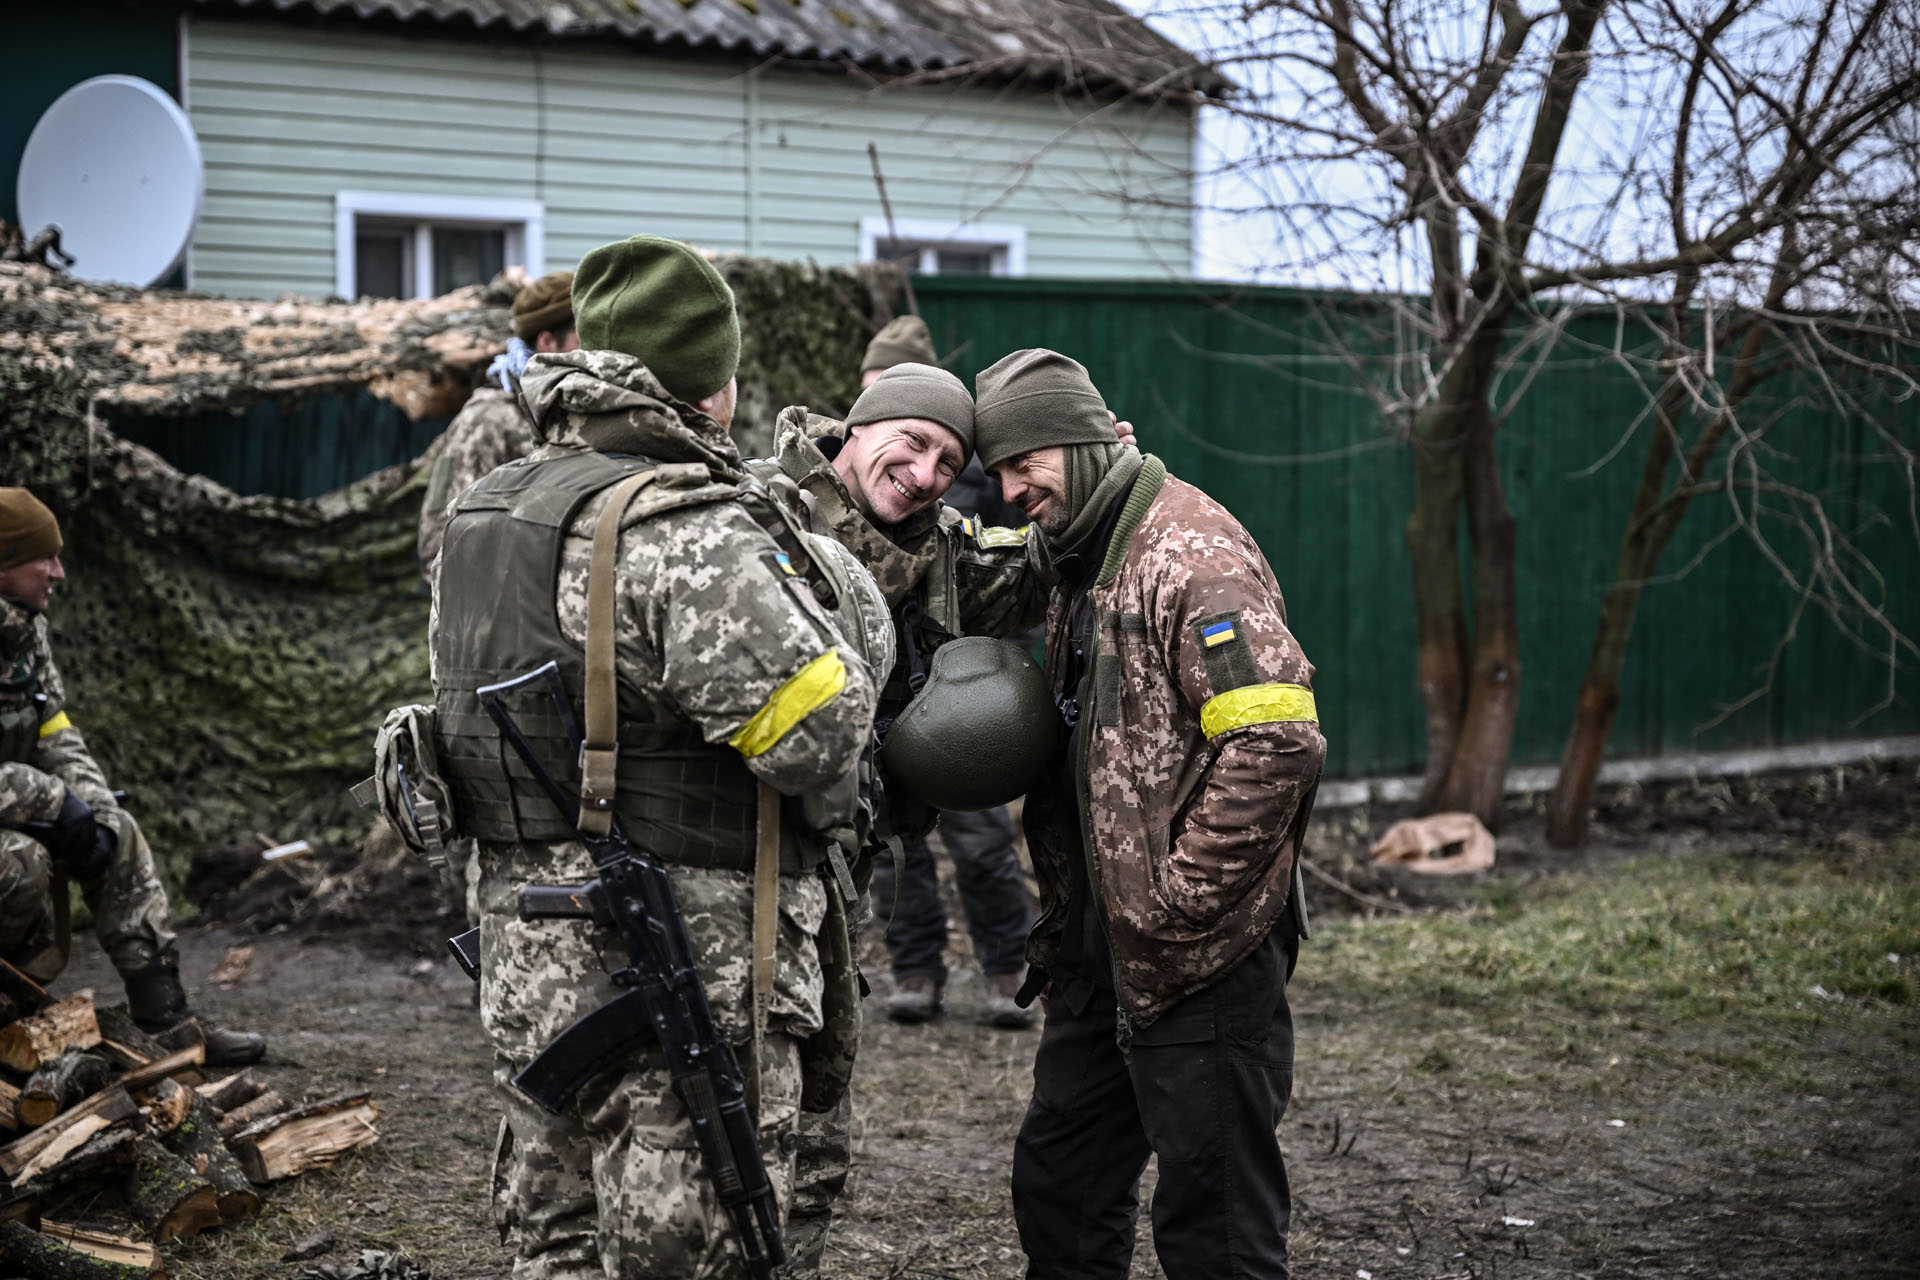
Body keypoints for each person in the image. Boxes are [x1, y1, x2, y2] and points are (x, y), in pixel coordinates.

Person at [429, 235, 882, 1279]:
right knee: (696, 1244)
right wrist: (840, 602)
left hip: (525, 950)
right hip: (680, 950)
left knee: (557, 1235)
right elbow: (818, 737)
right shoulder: (688, 526)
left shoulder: (486, 511)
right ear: (713, 384)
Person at [973, 349, 1325, 1279]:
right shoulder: (1079, 549)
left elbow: (1277, 744)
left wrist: (1176, 905)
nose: (1011, 492)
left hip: (1196, 960)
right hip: (1099, 955)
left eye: (1026, 463)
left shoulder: (1189, 556)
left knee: (1213, 1231)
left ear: (1084, 442)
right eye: (1000, 471)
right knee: (1062, 1189)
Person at [0, 489, 266, 1066]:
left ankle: (170, 1023)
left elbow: (55, 730)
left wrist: (88, 808)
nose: (59, 572)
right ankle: (10, 1015)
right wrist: (51, 800)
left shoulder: (24, 633)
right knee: (20, 862)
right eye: (44, 557)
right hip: (12, 822)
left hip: (17, 804)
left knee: (115, 830)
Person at [851, 316, 1037, 1028]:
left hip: (952, 712)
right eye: (909, 437)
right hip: (857, 739)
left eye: (948, 460)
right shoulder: (776, 514)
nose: (927, 474)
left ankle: (1003, 970)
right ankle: (917, 972)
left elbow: (1020, 566)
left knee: (984, 843)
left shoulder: (949, 521)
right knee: (902, 864)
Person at [417, 269, 579, 577]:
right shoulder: (488, 421)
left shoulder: (576, 412)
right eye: (582, 338)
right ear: (548, 342)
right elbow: (440, 547)